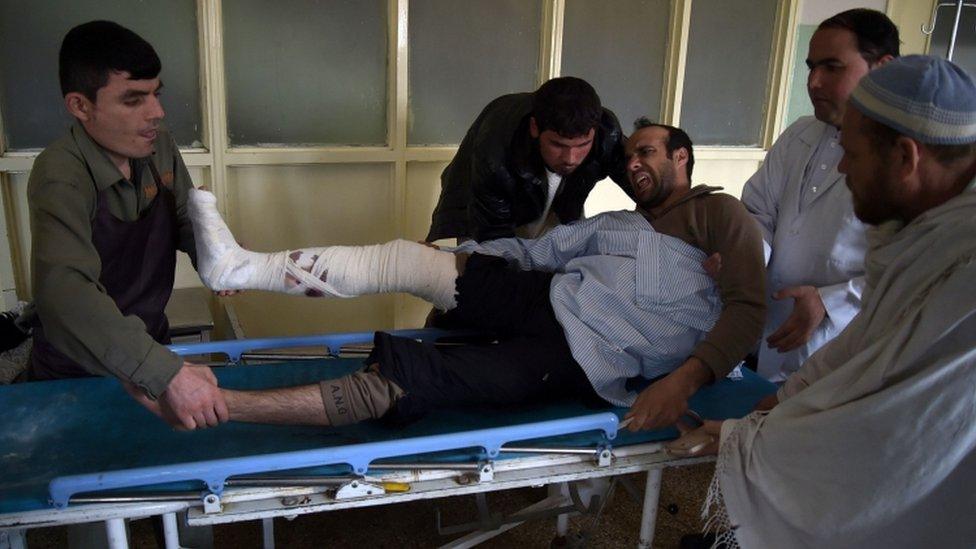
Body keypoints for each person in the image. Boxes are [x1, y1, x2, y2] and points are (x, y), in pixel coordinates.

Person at [164, 121, 765, 431]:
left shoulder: (719, 213)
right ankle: (237, 264)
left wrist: (682, 383)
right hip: (547, 295)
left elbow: (747, 310)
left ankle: (225, 406)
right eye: (629, 155)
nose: (633, 163)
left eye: (649, 153)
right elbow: (540, 250)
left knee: (406, 386)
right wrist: (461, 254)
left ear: (682, 156)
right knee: (411, 259)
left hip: (588, 355)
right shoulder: (615, 223)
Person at [684, 56, 976, 548]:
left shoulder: (963, 272)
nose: (841, 168)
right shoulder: (921, 230)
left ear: (906, 158)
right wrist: (779, 400)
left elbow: (893, 435)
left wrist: (748, 440)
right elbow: (868, 339)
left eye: (853, 155)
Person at [21, 21, 228, 430]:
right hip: (77, 371)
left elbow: (186, 219)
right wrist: (165, 372)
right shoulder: (61, 173)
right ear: (80, 106)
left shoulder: (158, 146)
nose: (157, 113)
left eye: (156, 94)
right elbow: (65, 293)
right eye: (134, 100)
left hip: (149, 345)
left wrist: (222, 256)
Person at [741, 9, 899, 382]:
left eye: (832, 67)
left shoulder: (903, 161)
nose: (813, 82)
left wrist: (830, 302)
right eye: (812, 67)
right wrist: (744, 255)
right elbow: (758, 210)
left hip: (838, 346)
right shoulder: (799, 135)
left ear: (882, 68)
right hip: (763, 329)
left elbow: (908, 268)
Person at [425, 77, 629, 243]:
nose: (570, 158)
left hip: (555, 205)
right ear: (534, 128)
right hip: (482, 209)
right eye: (558, 145)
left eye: (583, 145)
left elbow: (645, 187)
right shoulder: (495, 152)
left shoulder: (607, 133)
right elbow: (494, 242)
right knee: (482, 277)